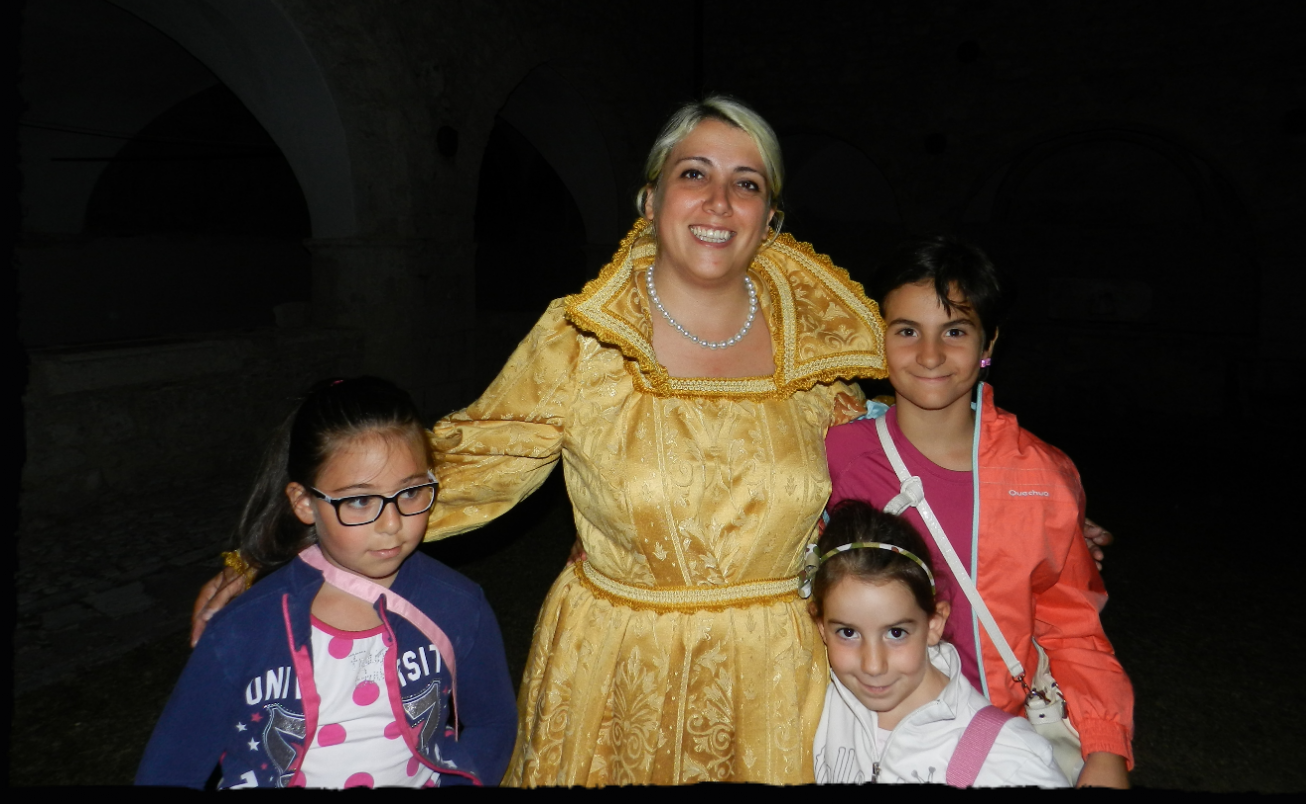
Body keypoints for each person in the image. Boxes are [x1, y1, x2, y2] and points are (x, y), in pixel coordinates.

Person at [188, 97, 1111, 786]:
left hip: (777, 678)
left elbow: (912, 431)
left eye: (746, 181)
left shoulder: (824, 349)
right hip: (616, 669)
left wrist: (1044, 519)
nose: (719, 199)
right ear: (650, 196)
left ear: (770, 216)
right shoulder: (583, 339)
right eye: (694, 173)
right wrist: (273, 549)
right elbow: (462, 465)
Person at [824, 236, 1133, 788]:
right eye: (907, 331)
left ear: (989, 341)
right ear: (878, 336)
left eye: (955, 332)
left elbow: (1073, 626)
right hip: (863, 737)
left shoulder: (1039, 474)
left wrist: (1105, 748)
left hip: (998, 742)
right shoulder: (838, 458)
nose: (930, 355)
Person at [138, 377, 517, 789]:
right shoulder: (242, 629)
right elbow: (171, 767)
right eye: (360, 500)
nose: (392, 524)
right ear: (304, 503)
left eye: (410, 493)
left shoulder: (458, 604)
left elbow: (493, 722)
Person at [808, 500, 1069, 787]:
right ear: (822, 628)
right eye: (848, 633)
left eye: (896, 633)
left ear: (934, 623)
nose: (873, 665)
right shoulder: (822, 703)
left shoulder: (1010, 761)